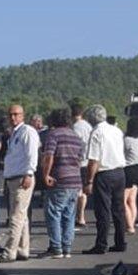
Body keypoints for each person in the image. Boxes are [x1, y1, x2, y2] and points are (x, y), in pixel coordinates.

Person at [81, 105, 126, 255]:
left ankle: (101, 244)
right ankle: (120, 241)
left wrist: (89, 181)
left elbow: (94, 160)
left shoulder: (96, 132)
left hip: (104, 174)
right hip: (119, 172)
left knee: (103, 211)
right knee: (118, 209)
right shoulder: (116, 130)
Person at [0, 104, 40, 263]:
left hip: (23, 177)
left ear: (23, 115)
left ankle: (9, 252)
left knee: (16, 217)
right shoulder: (14, 134)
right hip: (13, 178)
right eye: (11, 115)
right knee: (22, 216)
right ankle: (23, 249)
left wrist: (29, 173)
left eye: (16, 114)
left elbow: (32, 154)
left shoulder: (27, 131)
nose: (13, 118)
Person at [41, 108, 83, 258]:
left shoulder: (54, 135)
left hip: (60, 179)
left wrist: (46, 174)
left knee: (53, 212)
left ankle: (56, 247)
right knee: (69, 215)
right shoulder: (76, 137)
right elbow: (79, 159)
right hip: (75, 180)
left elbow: (49, 156)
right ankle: (67, 247)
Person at [122, 115, 138, 234]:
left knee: (123, 200)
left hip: (128, 169)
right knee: (132, 200)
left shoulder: (127, 140)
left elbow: (121, 153)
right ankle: (132, 224)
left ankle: (129, 225)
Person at [71, 102, 92, 227]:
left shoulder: (75, 128)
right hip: (88, 161)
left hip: (78, 162)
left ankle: (78, 216)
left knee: (77, 191)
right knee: (84, 191)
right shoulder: (88, 126)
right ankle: (82, 216)